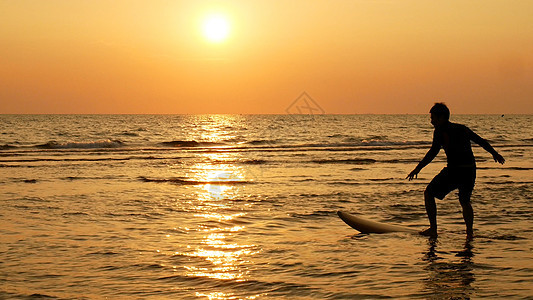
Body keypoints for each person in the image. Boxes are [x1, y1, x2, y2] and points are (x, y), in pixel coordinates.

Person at [407, 103, 505, 238]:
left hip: (455, 171)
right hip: (470, 170)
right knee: (465, 201)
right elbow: (481, 141)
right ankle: (469, 233)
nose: (431, 122)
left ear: (441, 118)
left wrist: (418, 168)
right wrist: (495, 154)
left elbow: (433, 152)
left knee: (429, 193)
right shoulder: (462, 128)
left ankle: (433, 229)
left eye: (433, 118)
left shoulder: (440, 131)